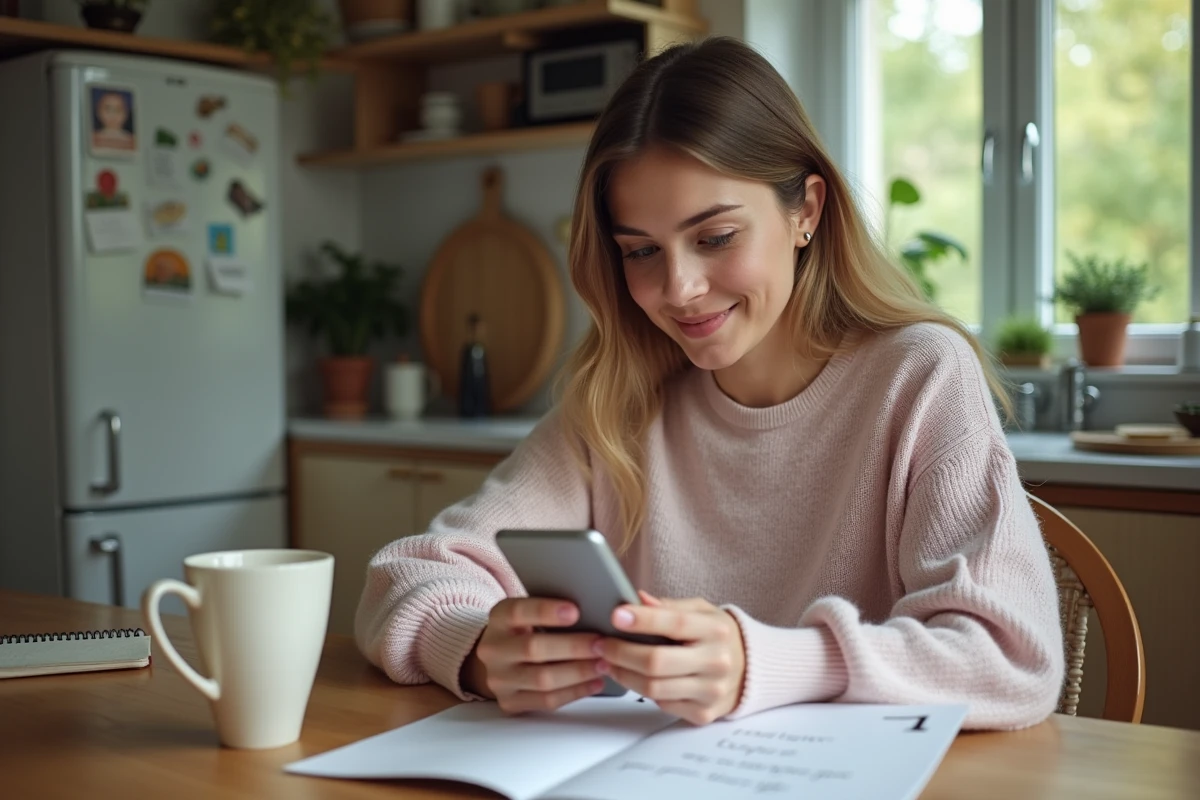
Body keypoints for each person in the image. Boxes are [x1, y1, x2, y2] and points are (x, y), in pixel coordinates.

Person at [355, 37, 1065, 730]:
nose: (680, 289)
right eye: (640, 251)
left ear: (806, 211)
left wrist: (767, 662)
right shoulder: (618, 401)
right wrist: (479, 650)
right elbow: (405, 576)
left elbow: (1008, 657)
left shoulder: (919, 375)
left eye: (716, 237)